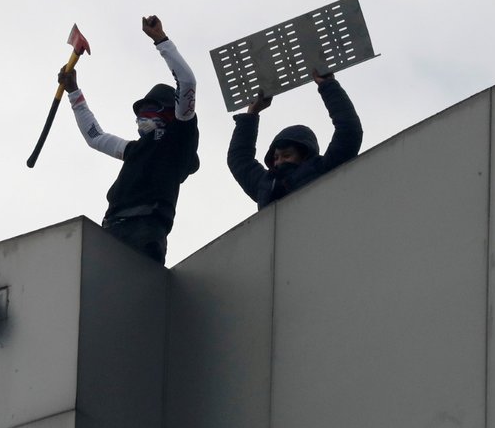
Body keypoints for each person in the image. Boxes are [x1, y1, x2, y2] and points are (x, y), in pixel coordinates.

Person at [58, 16, 199, 264]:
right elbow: (96, 138)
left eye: (150, 110)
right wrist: (74, 92)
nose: (142, 119)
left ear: (169, 112)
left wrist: (160, 39)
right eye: (140, 114)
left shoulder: (178, 139)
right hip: (111, 229)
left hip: (145, 229)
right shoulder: (135, 150)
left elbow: (187, 82)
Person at [227, 70, 363, 210]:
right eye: (276, 157)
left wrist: (328, 86)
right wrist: (252, 114)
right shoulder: (265, 184)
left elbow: (349, 132)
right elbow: (239, 159)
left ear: (304, 155)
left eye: (286, 155)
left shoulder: (324, 169)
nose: (279, 161)